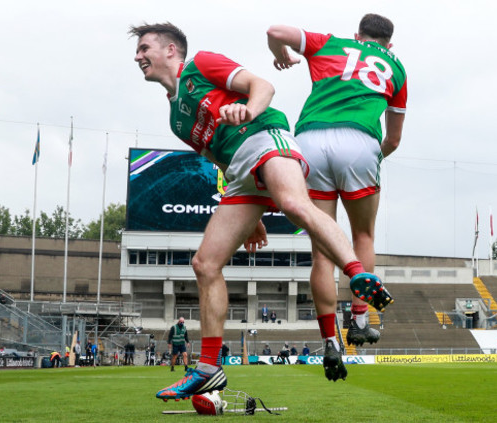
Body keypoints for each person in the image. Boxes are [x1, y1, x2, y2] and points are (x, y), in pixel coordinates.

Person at [129, 22, 391, 397]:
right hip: (239, 172)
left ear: (170, 50)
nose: (138, 56)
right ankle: (208, 369)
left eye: (144, 48)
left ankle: (358, 274)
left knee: (294, 205)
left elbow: (264, 86)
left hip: (266, 135)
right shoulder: (175, 119)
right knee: (205, 263)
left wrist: (248, 111)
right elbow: (217, 158)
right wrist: (249, 215)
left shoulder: (201, 65)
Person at [267, 14, 404, 350]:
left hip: (311, 140)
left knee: (322, 252)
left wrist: (282, 54)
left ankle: (330, 339)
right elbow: (394, 140)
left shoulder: (330, 43)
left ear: (358, 36)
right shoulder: (396, 68)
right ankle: (359, 320)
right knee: (362, 235)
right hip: (360, 143)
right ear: (389, 45)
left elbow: (274, 31)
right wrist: (367, 160)